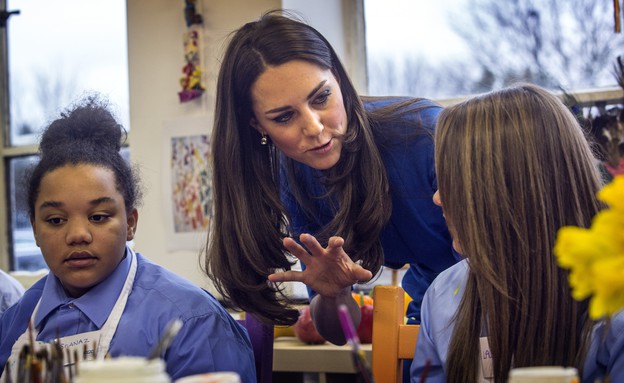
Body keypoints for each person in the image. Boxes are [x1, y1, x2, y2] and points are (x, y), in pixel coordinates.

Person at [205, 9, 457, 344]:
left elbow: (499, 269)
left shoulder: (426, 135)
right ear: (257, 126)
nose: (314, 127)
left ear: (338, 78)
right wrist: (334, 294)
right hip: (432, 313)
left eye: (321, 97)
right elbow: (341, 333)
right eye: (283, 117)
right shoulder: (296, 180)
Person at [0, 98, 256, 382]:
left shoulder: (193, 322)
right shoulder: (13, 323)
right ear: (35, 229)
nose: (77, 235)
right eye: (56, 220)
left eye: (98, 217)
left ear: (130, 223)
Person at [410, 83, 624, 383]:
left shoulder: (615, 301)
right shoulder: (443, 296)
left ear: (506, 192)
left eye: (453, 180)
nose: (438, 198)